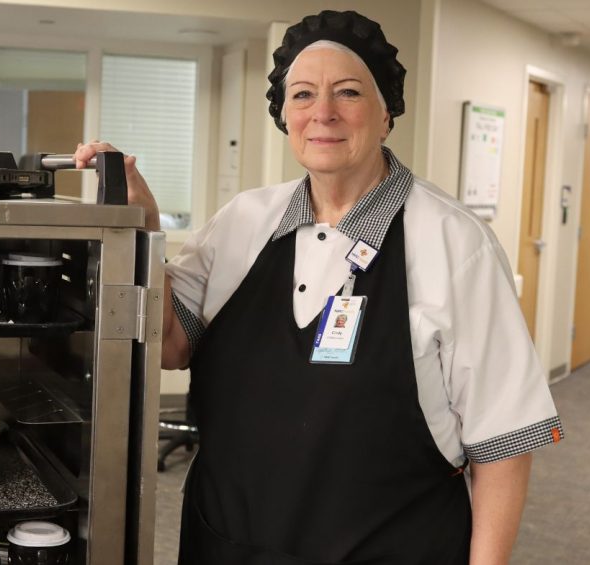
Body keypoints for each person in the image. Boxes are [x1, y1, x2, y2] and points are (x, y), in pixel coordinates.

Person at [75, 9, 562, 565]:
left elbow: (503, 444)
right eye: (302, 95)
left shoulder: (455, 243)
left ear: (386, 113)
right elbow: (171, 344)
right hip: (229, 545)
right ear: (284, 115)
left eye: (348, 93)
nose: (323, 113)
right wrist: (143, 229)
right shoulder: (242, 222)